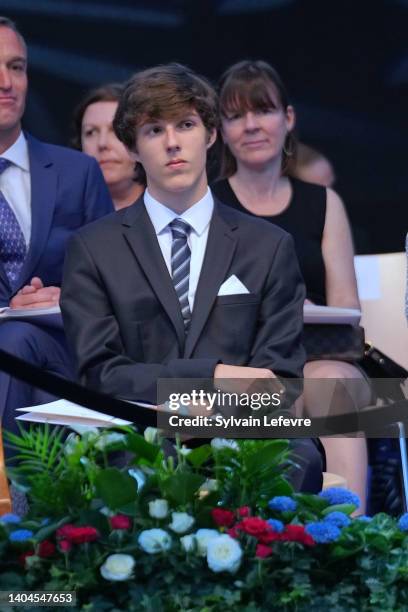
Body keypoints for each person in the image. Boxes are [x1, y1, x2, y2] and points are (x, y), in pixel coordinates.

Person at [60, 63, 324, 493]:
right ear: (132, 147)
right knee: (120, 459)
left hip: (241, 429)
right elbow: (100, 373)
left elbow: (280, 381)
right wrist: (211, 376)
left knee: (299, 452)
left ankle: (271, 562)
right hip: (140, 428)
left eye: (185, 124)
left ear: (211, 133)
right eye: (152, 130)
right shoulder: (92, 248)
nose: (172, 143)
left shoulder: (269, 245)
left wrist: (211, 412)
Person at [211, 60, 372, 510]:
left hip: (317, 354)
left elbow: (346, 308)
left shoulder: (323, 202)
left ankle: (352, 534)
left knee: (332, 383)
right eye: (236, 115)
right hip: (238, 361)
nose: (251, 126)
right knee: (252, 388)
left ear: (289, 118)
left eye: (262, 110)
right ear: (220, 130)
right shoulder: (209, 204)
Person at [0, 17, 113, 434]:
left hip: (64, 353)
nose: (6, 82)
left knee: (21, 346)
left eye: (16, 67)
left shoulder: (77, 172)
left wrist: (64, 296)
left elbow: (116, 284)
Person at [71, 84, 145, 210]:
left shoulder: (172, 210)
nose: (102, 143)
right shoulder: (63, 218)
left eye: (115, 130)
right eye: (91, 132)